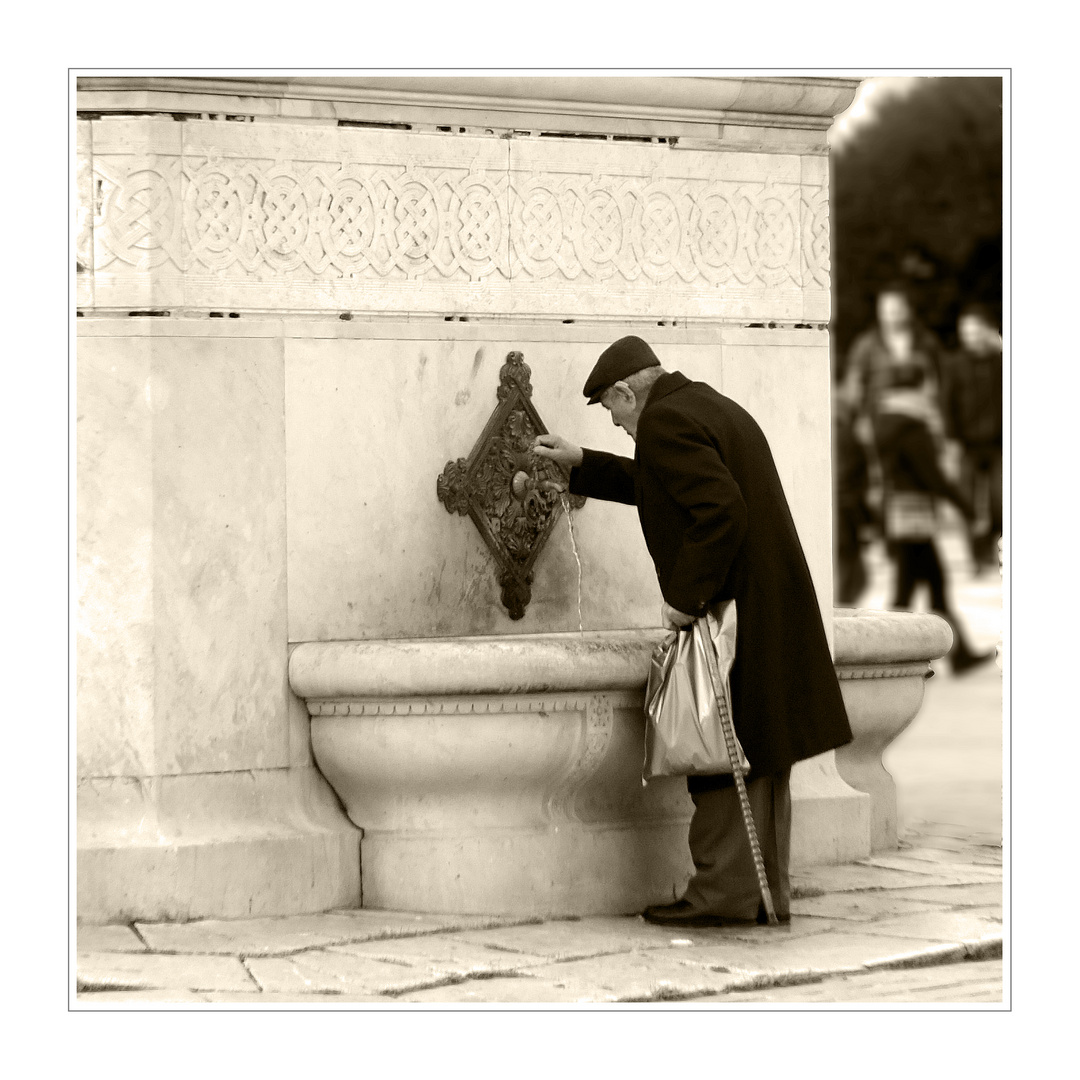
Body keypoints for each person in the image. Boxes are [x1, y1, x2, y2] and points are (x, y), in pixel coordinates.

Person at [533, 336, 852, 928]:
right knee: (755, 757)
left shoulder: (665, 423)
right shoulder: (704, 405)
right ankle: (759, 894)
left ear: (628, 392)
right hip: (765, 611)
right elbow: (666, 483)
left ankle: (723, 897)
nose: (620, 424)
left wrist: (684, 598)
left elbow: (719, 511)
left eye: (613, 411)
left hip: (733, 616)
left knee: (723, 754)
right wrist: (583, 462)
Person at [874, 362, 995, 674]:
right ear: (915, 389)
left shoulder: (886, 422)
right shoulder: (912, 429)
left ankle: (957, 654)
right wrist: (969, 510)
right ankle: (893, 657)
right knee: (910, 590)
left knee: (929, 584)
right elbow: (934, 479)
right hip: (916, 517)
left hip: (900, 514)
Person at [940, 303, 1003, 574]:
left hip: (1000, 444)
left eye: (976, 331)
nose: (971, 337)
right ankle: (975, 557)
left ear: (987, 331)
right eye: (966, 332)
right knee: (967, 503)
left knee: (1001, 500)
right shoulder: (954, 364)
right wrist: (951, 439)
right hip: (966, 444)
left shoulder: (1002, 360)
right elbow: (947, 404)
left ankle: (993, 543)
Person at [840, 282, 944, 423]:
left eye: (896, 309)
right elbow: (853, 386)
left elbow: (937, 383)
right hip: (877, 417)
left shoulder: (926, 343)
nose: (891, 315)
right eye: (886, 309)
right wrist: (859, 418)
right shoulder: (866, 345)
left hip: (919, 416)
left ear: (909, 309)